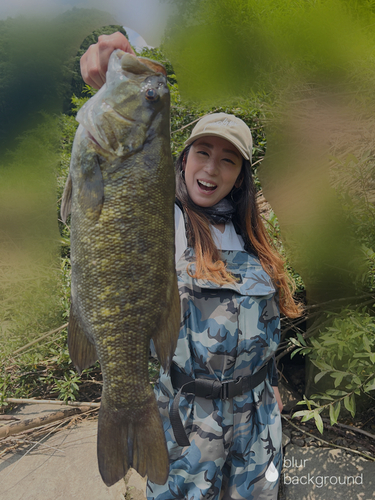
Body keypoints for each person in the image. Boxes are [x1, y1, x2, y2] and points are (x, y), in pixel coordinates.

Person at [80, 33, 302, 500]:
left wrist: (272, 388)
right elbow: (117, 197)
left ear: (241, 176)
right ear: (181, 161)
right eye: (203, 152)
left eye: (228, 160)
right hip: (189, 419)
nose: (212, 168)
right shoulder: (165, 221)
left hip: (258, 418)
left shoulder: (256, 236)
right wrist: (110, 57)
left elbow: (264, 325)